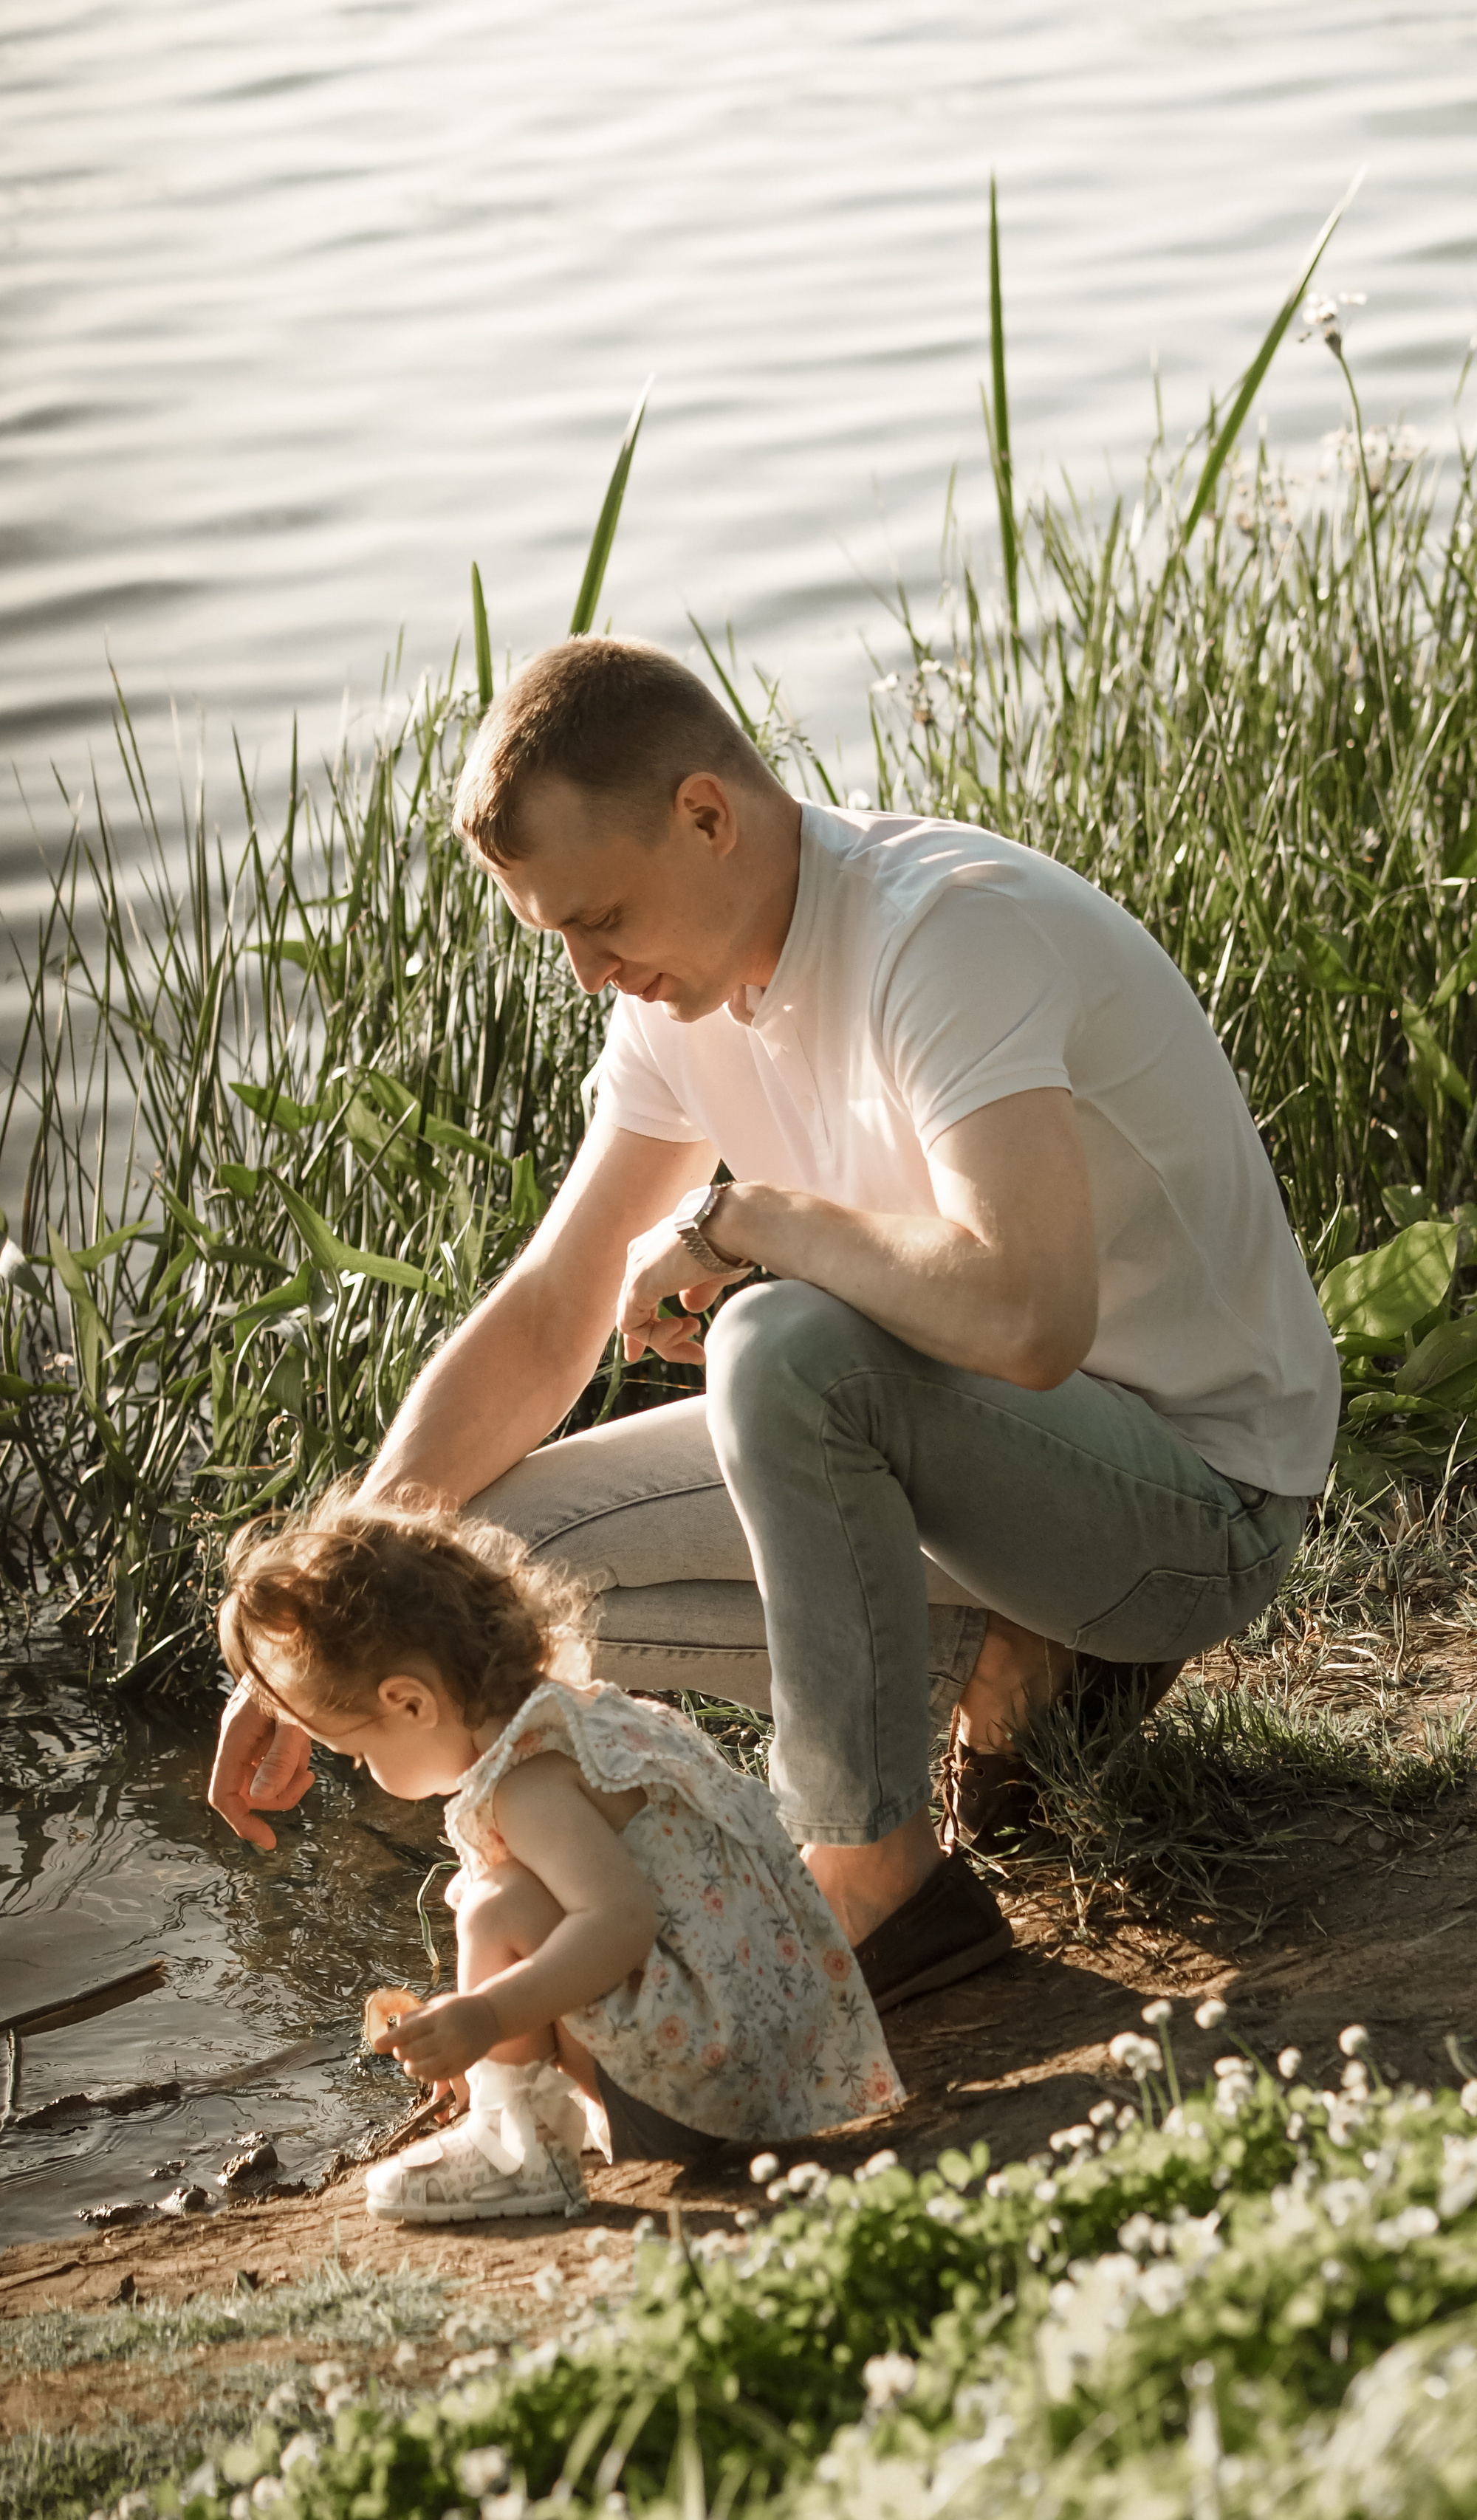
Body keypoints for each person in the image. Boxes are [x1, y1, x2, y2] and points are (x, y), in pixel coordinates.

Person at [209, 636, 1340, 2005]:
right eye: (554, 931)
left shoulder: (944, 931)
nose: (583, 969)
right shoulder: (679, 994)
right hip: (981, 1478)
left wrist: (752, 1222)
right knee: (493, 1578)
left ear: (706, 814)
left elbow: (1032, 1316)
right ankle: (1012, 1673)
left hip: (1190, 1502)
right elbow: (553, 1306)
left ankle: (876, 1873)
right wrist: (326, 1621)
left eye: (599, 916)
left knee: (778, 1341)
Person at [217, 1488, 902, 2222]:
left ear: (410, 1702)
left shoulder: (526, 1784)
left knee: (496, 1905)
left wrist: (484, 2016)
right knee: (514, 1895)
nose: (363, 1769)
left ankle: (518, 2151)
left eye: (356, 1750)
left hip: (701, 2097)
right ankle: (526, 2108)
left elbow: (619, 1921)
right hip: (785, 2057)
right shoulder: (595, 1715)